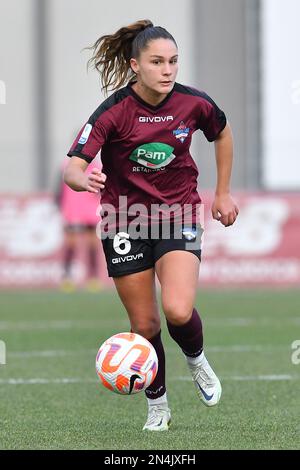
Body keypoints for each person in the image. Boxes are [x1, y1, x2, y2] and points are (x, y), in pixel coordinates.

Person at [64, 19, 239, 431]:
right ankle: (157, 405)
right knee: (143, 325)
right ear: (134, 65)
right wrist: (82, 178)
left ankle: (196, 360)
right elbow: (74, 166)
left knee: (178, 310)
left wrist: (224, 192)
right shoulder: (113, 111)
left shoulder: (194, 104)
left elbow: (223, 133)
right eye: (157, 62)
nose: (167, 70)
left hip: (178, 214)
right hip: (124, 220)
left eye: (173, 61)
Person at [56, 157, 102, 292]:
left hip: (90, 209)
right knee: (71, 244)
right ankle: (67, 278)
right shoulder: (66, 166)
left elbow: (102, 188)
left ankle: (93, 278)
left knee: (92, 245)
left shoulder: (96, 166)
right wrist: (60, 207)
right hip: (72, 209)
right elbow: (59, 189)